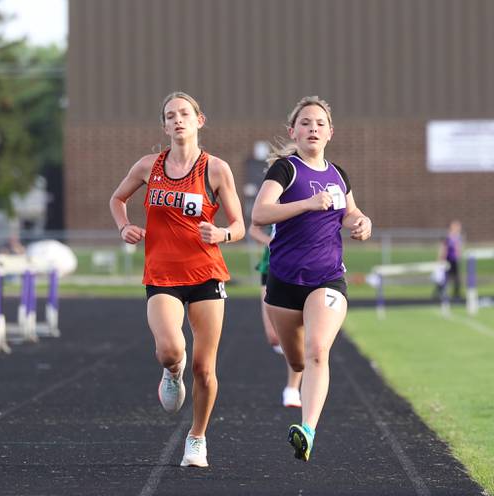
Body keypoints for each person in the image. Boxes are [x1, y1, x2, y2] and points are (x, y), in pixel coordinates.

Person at [108, 92, 244, 467]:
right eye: (171, 116)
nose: (178, 120)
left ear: (200, 120)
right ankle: (172, 372)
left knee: (205, 367)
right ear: (164, 125)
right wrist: (125, 227)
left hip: (205, 274)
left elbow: (239, 225)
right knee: (170, 350)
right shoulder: (147, 166)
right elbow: (117, 200)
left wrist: (222, 235)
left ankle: (197, 437)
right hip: (162, 273)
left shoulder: (215, 169)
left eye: (185, 114)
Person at [251, 96, 372, 462]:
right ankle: (297, 377)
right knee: (298, 359)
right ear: (294, 131)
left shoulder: (338, 174)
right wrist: (307, 203)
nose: (313, 128)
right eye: (305, 123)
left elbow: (350, 213)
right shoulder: (286, 170)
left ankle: (307, 431)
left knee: (318, 349)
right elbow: (259, 213)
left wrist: (361, 223)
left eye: (319, 123)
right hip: (284, 281)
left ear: (330, 132)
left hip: (328, 278)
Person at [249, 222, 302, 408]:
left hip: (298, 266)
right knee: (274, 337)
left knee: (297, 334)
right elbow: (253, 229)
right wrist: (271, 242)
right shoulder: (273, 198)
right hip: (271, 265)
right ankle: (297, 355)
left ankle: (292, 387)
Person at [435, 220, 462, 301]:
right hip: (447, 260)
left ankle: (456, 294)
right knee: (444, 277)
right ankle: (439, 292)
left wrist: (458, 256)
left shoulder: (458, 237)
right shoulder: (449, 237)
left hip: (454, 260)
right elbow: (444, 248)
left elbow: (458, 249)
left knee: (456, 278)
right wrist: (440, 259)